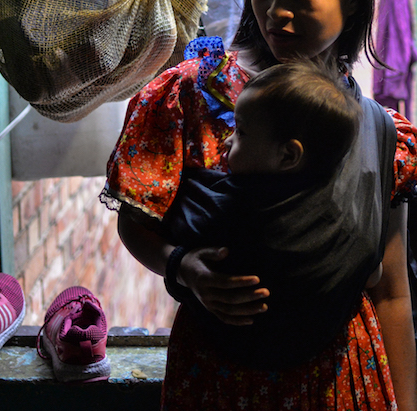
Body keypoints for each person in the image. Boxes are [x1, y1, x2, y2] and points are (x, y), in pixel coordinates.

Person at [102, 0, 417, 411]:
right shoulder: (190, 96)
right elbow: (135, 223)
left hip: (339, 379)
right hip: (217, 376)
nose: (277, 11)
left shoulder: (380, 133)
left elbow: (390, 291)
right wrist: (184, 267)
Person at [158, 57, 390, 370]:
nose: (226, 141)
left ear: (288, 154)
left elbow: (174, 215)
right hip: (319, 369)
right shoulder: (345, 221)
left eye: (240, 132)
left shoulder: (226, 214)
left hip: (225, 369)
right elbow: (374, 274)